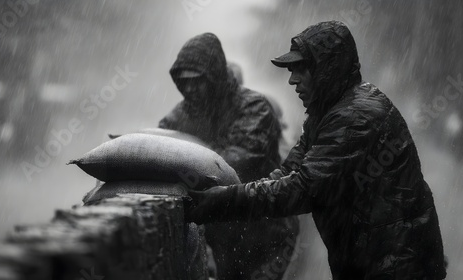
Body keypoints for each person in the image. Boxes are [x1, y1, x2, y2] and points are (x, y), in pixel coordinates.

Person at [185, 21, 447, 280]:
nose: (292, 80)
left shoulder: (355, 117)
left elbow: (301, 190)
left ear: (326, 70)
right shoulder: (326, 114)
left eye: (300, 69)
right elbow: (288, 174)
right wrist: (223, 195)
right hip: (374, 261)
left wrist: (222, 201)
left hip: (399, 264)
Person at [159, 33, 299, 280]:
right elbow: (160, 147)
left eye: (196, 80)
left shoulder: (254, 107)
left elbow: (236, 161)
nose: (189, 88)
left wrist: (185, 163)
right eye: (183, 81)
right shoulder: (181, 115)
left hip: (265, 231)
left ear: (213, 76)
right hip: (220, 235)